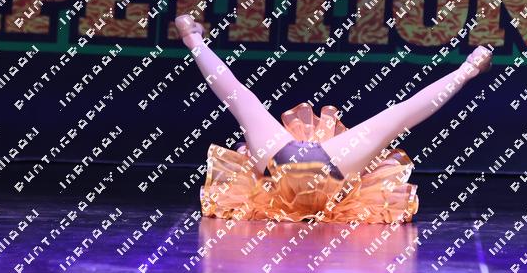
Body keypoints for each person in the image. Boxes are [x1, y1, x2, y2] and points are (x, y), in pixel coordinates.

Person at [175, 14, 492, 224]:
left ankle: (194, 41)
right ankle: (469, 68)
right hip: (328, 166)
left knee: (240, 99)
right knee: (400, 115)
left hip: (278, 164)